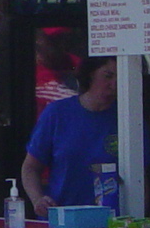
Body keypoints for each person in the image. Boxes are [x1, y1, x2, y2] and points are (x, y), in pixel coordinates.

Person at [21, 56, 121, 216]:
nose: (114, 85)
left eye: (121, 77)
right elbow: (30, 168)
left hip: (113, 221)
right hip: (62, 217)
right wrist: (38, 199)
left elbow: (140, 177)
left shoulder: (128, 118)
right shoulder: (57, 113)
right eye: (108, 76)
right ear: (90, 75)